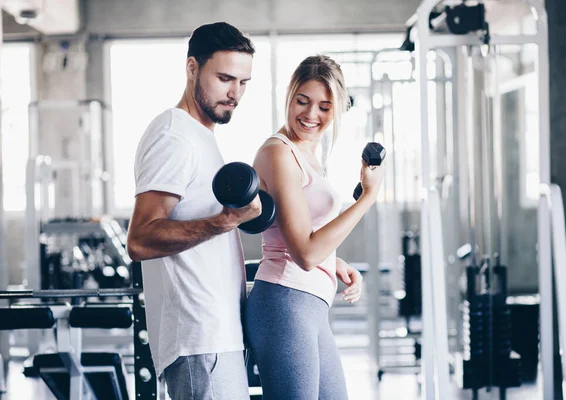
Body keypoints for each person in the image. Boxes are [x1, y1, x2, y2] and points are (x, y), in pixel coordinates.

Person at [126, 22, 261, 400]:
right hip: (200, 337)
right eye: (224, 78)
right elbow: (139, 239)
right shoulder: (174, 135)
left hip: (216, 335)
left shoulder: (201, 136)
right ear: (191, 68)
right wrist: (223, 222)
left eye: (244, 82)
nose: (235, 93)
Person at [244, 55, 385, 399]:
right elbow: (304, 254)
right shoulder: (279, 153)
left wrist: (333, 262)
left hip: (310, 306)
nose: (311, 115)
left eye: (324, 106)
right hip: (283, 303)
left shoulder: (306, 152)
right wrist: (366, 198)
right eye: (302, 102)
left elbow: (296, 232)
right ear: (289, 97)